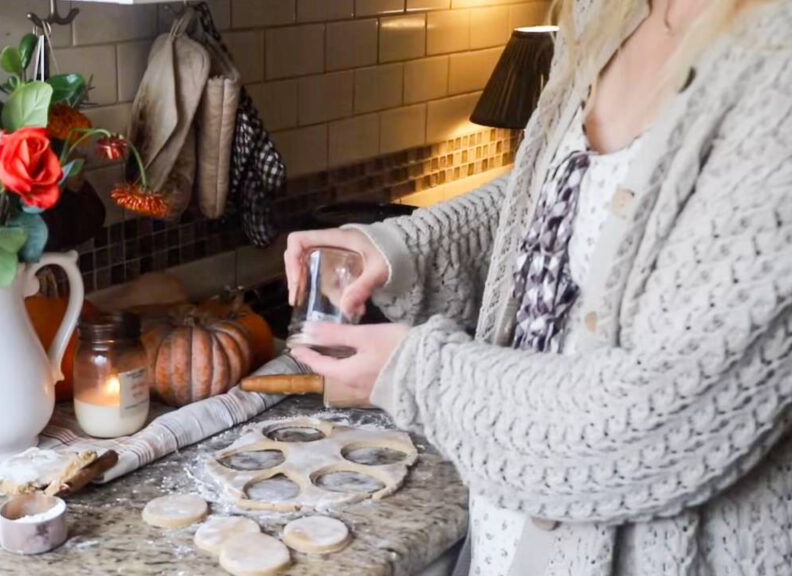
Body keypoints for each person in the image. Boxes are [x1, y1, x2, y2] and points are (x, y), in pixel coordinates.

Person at [284, 0, 792, 574]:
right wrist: (401, 249)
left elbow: (670, 418)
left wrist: (416, 374)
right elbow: (560, 193)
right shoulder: (607, 10)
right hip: (509, 539)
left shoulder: (779, 57)